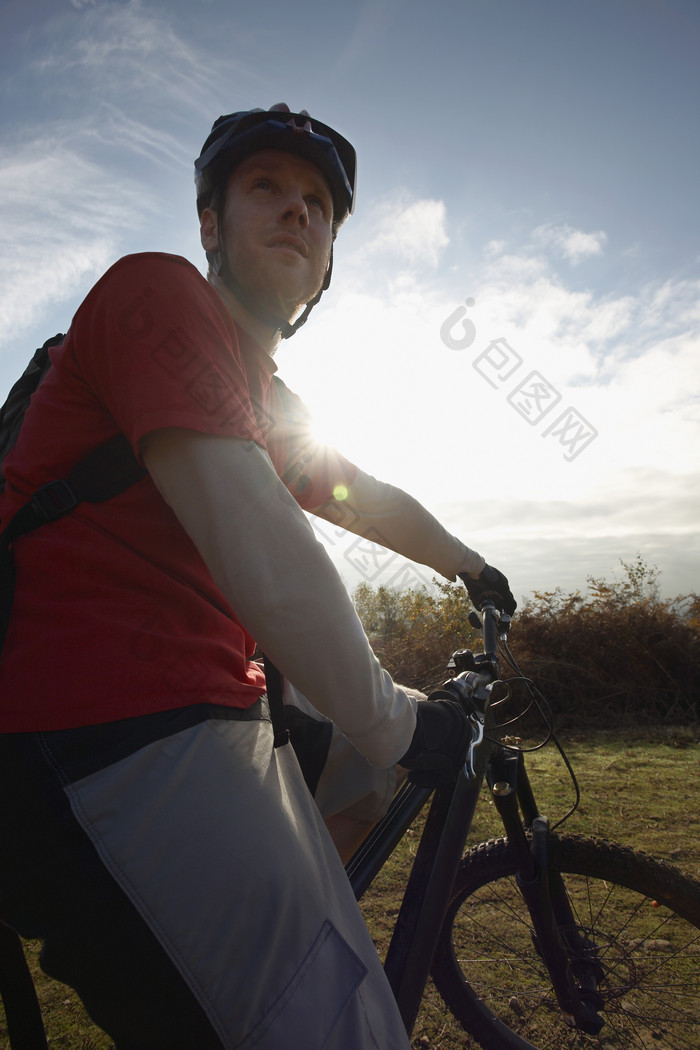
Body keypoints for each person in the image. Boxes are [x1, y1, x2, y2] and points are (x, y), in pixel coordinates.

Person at [0, 105, 516, 1049]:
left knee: (358, 766)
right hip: (104, 728)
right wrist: (401, 722)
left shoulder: (270, 399)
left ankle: (283, 927)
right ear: (211, 225)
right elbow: (267, 544)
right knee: (348, 1033)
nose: (297, 213)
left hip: (210, 706)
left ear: (327, 262)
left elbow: (366, 496)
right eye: (266, 189)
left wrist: (472, 568)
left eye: (318, 204)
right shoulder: (154, 295)